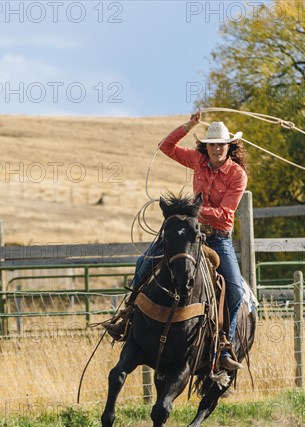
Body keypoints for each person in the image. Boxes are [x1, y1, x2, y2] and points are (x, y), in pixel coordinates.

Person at [104, 113, 247, 372]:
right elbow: (166, 147)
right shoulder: (197, 161)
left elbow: (226, 215)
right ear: (206, 146)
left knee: (235, 291)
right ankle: (126, 318)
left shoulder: (237, 175)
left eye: (221, 144)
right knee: (143, 263)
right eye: (212, 144)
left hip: (218, 238)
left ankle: (225, 344)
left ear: (229, 147)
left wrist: (187, 211)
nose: (216, 148)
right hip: (188, 234)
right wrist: (189, 126)